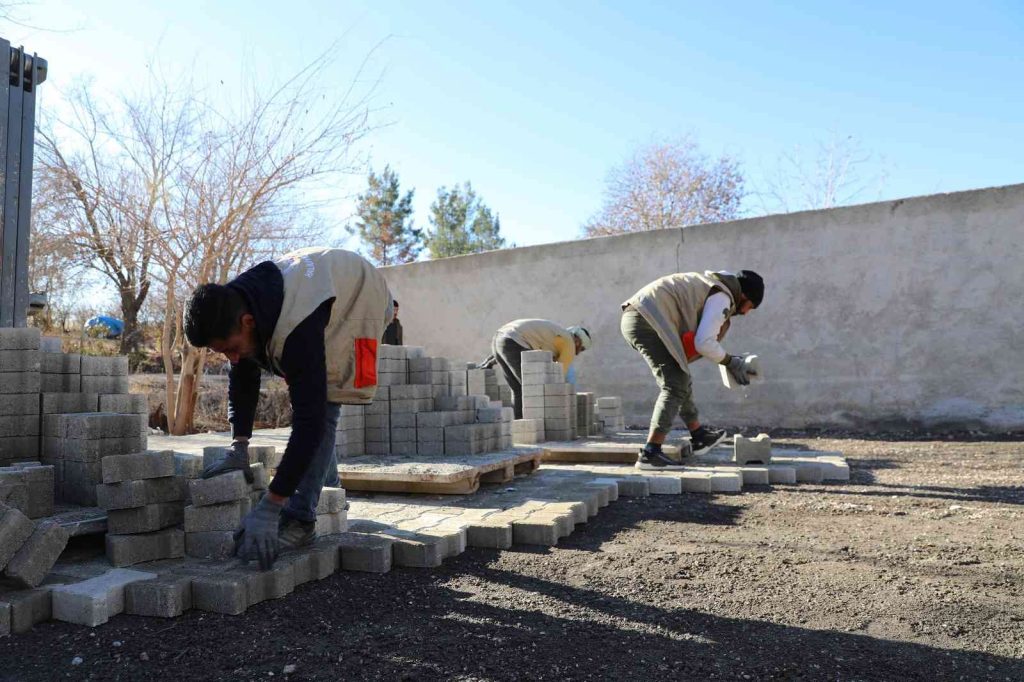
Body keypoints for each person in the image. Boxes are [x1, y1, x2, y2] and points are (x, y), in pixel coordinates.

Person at [183, 247, 392, 569]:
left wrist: (273, 504)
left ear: (248, 322)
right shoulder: (236, 303)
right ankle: (329, 490)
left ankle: (302, 518)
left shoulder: (298, 330)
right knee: (265, 371)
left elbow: (311, 421)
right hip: (322, 285)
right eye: (223, 352)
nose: (232, 357)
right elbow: (243, 377)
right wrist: (239, 445)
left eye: (231, 348)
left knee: (325, 402)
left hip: (359, 294)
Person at [620, 270, 764, 469]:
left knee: (681, 377)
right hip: (646, 319)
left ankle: (699, 436)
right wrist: (730, 362)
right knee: (675, 384)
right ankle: (650, 453)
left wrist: (728, 361)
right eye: (750, 307)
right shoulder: (722, 297)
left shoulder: (712, 287)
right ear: (744, 296)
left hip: (643, 316)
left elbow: (700, 341)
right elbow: (704, 343)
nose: (746, 313)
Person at [491, 319, 592, 418]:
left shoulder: (556, 335)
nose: (578, 353)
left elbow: (506, 344)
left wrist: (493, 359)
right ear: (578, 342)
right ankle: (531, 423)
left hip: (499, 339)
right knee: (533, 389)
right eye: (581, 349)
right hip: (514, 341)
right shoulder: (569, 344)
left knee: (518, 389)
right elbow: (559, 374)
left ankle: (520, 425)